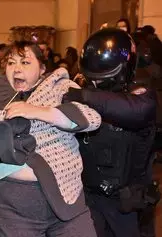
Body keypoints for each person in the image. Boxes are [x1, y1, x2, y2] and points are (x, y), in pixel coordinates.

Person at [0, 40, 101, 237]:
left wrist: (40, 112)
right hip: (13, 206)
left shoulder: (59, 86)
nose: (16, 69)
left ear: (41, 68)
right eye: (11, 62)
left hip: (66, 196)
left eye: (25, 63)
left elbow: (92, 119)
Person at [63, 28, 158, 237]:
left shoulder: (141, 96)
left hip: (126, 205)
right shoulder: (83, 90)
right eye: (92, 79)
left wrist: (81, 95)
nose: (96, 84)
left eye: (102, 78)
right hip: (89, 197)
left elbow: (135, 111)